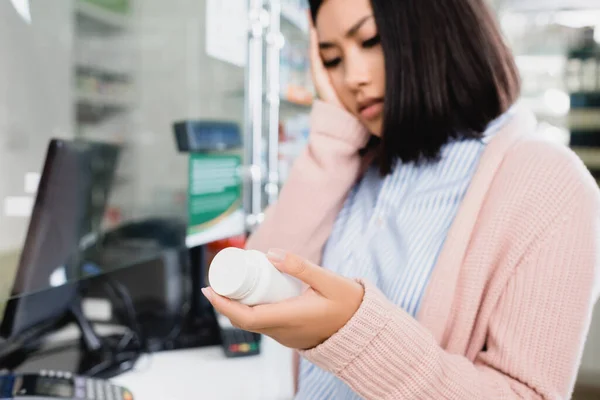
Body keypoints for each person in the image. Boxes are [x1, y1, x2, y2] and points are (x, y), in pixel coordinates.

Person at [202, 0, 600, 398]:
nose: (352, 78)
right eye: (332, 59)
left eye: (371, 40)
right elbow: (260, 272)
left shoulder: (553, 185)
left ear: (440, 23)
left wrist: (353, 332)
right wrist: (333, 136)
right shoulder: (358, 162)